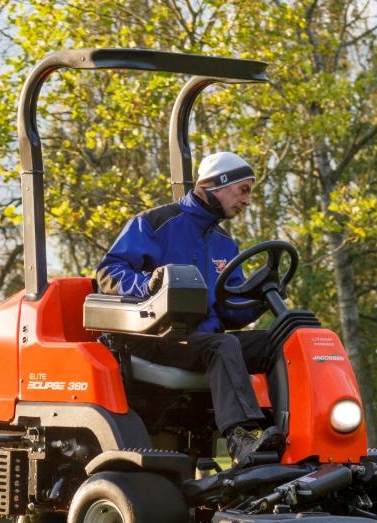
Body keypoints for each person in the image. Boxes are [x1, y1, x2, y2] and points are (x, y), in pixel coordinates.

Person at [95, 151, 282, 465]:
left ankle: (292, 434)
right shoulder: (155, 224)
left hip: (198, 340)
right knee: (223, 345)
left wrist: (260, 296)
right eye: (244, 190)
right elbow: (109, 273)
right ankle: (240, 440)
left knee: (282, 341)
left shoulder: (224, 243)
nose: (247, 200)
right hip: (153, 336)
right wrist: (147, 284)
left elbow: (230, 310)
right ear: (218, 184)